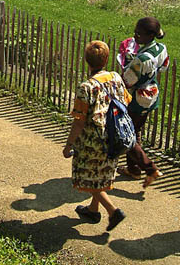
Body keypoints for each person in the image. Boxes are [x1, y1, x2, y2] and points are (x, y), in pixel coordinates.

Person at [63, 40, 130, 231]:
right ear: (107, 59)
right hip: (115, 136)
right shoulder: (116, 77)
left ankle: (113, 211)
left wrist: (69, 145)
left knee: (86, 177)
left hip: (93, 140)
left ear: (86, 61)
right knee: (102, 174)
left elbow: (79, 121)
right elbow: (126, 100)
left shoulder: (87, 87)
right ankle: (93, 210)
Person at [118, 17, 169, 188]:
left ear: (150, 35)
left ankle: (149, 168)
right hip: (151, 94)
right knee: (136, 128)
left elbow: (128, 79)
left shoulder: (142, 59)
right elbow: (163, 67)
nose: (135, 35)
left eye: (139, 33)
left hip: (137, 98)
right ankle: (133, 169)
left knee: (127, 134)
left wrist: (127, 62)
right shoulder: (161, 48)